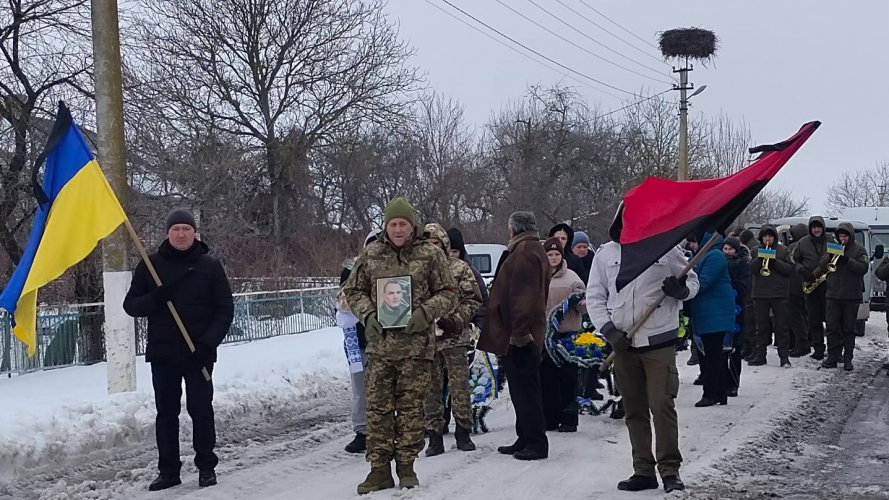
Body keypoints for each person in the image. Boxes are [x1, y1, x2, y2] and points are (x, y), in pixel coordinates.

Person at [343, 198, 456, 494]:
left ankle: (407, 467)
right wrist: (367, 314)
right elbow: (353, 290)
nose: (397, 229)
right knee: (378, 410)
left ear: (411, 225)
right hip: (379, 348)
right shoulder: (371, 253)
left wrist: (425, 312)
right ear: (386, 225)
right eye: (392, 224)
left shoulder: (430, 254)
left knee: (409, 411)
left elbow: (448, 293)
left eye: (402, 224)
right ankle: (379, 470)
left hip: (415, 349)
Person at [586, 205, 700, 493]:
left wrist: (681, 291)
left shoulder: (665, 249)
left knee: (662, 407)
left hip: (659, 342)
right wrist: (609, 331)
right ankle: (643, 470)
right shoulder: (606, 255)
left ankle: (670, 471)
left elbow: (693, 280)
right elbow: (595, 296)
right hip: (623, 344)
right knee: (634, 410)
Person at [123, 209, 234, 491]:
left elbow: (224, 310)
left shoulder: (210, 266)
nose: (181, 234)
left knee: (201, 410)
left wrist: (207, 345)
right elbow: (131, 305)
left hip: (199, 353)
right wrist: (155, 298)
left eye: (186, 229)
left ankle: (206, 467)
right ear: (167, 233)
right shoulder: (150, 265)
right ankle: (169, 470)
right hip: (163, 354)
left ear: (195, 232)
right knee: (166, 413)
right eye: (176, 229)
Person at [479, 211, 551, 461]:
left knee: (527, 390)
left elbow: (523, 299)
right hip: (523, 332)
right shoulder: (532, 249)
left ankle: (535, 442)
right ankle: (526, 436)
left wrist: (519, 335)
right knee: (522, 390)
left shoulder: (523, 253)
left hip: (520, 336)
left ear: (512, 230)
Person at [422, 223, 482, 457]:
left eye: (435, 244)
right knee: (430, 390)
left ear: (444, 245)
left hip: (455, 337)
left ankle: (463, 432)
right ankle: (434, 436)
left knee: (459, 388)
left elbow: (473, 299)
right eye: (427, 244)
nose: (432, 248)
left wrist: (455, 321)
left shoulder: (459, 268)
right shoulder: (417, 271)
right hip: (427, 340)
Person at [339, 230, 381, 454]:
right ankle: (362, 431)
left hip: (388, 340)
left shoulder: (394, 270)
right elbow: (344, 301)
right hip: (360, 339)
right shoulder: (351, 270)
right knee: (361, 389)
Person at [540, 237, 585, 432]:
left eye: (557, 254)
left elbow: (585, 304)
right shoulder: (538, 277)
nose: (553, 258)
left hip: (567, 335)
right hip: (545, 336)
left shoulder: (572, 278)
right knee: (546, 379)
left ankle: (569, 419)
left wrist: (579, 303)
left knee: (568, 378)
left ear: (562, 255)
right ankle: (550, 418)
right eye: (549, 254)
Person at [687, 233, 735, 408]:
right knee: (714, 354)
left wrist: (682, 289)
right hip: (709, 312)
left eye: (694, 241)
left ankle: (710, 394)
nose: (692, 245)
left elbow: (702, 282)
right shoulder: (702, 256)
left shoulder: (714, 256)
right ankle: (720, 393)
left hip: (716, 312)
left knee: (713, 355)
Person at [820, 223, 869, 371]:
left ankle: (848, 358)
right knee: (832, 327)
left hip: (851, 296)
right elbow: (822, 266)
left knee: (848, 329)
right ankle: (833, 357)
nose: (843, 239)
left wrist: (847, 260)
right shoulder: (833, 248)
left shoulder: (859, 250)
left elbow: (863, 268)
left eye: (845, 236)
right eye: (840, 236)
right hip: (833, 295)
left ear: (850, 236)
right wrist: (830, 256)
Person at [749, 225, 795, 367]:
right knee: (761, 326)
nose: (767, 239)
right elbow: (751, 269)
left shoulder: (783, 250)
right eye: (765, 236)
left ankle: (784, 357)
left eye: (770, 236)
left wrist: (775, 261)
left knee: (781, 326)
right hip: (760, 293)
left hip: (779, 293)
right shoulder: (755, 250)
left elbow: (791, 269)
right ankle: (760, 355)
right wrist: (760, 259)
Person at [795, 216, 830, 360]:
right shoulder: (803, 242)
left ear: (823, 227)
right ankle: (818, 349)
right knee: (814, 319)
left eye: (819, 227)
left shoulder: (832, 241)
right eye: (814, 227)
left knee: (832, 320)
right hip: (811, 285)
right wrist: (802, 270)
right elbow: (794, 260)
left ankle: (835, 350)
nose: (816, 230)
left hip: (829, 285)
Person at [723, 237, 751, 398]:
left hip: (737, 308)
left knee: (735, 347)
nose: (727, 252)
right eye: (725, 249)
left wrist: (731, 284)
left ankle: (733, 383)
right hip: (721, 309)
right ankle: (722, 381)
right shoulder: (719, 263)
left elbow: (745, 286)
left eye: (730, 249)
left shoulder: (743, 264)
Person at [786, 224, 811, 356]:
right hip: (807, 285)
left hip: (793, 287)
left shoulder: (792, 247)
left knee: (795, 317)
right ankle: (807, 341)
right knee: (806, 316)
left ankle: (802, 343)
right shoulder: (809, 245)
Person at [738, 229, 759, 359]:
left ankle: (753, 348)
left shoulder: (753, 249)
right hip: (751, 288)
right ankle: (749, 347)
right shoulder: (752, 247)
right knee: (748, 321)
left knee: (751, 321)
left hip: (753, 289)